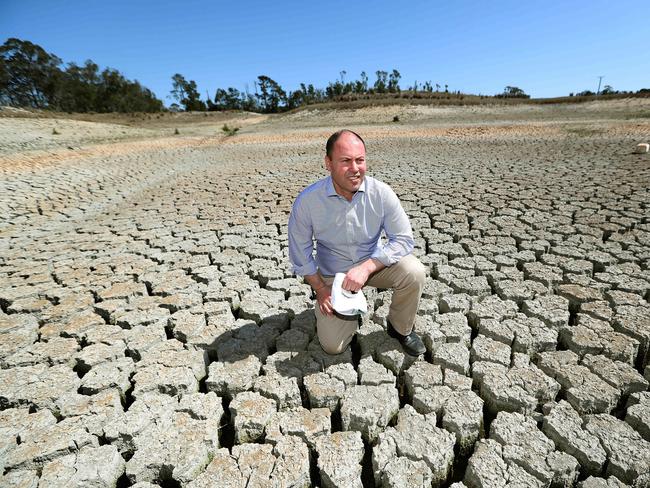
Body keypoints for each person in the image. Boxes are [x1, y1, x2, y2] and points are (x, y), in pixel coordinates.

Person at [288, 129, 427, 356]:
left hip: (373, 267)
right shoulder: (308, 201)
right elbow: (300, 254)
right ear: (328, 163)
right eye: (345, 161)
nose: (355, 169)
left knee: (414, 271)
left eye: (360, 160)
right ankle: (348, 314)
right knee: (333, 347)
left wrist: (367, 268)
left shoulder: (381, 193)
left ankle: (400, 328)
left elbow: (403, 240)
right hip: (333, 276)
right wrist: (321, 289)